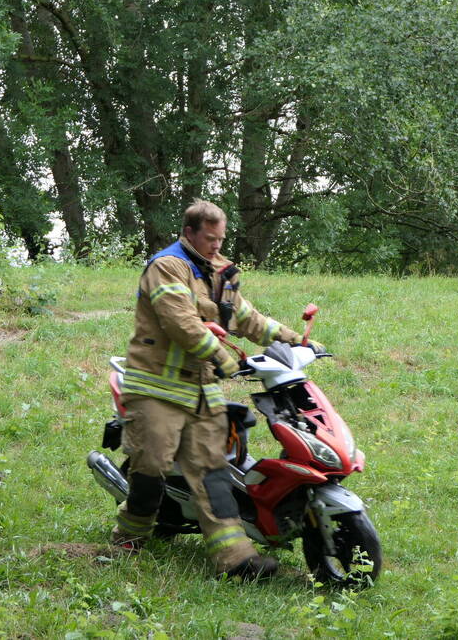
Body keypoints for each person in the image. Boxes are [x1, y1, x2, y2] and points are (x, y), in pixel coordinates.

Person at [112, 199, 324, 580]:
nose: (216, 245)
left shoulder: (220, 272)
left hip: (202, 389)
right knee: (152, 464)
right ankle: (129, 538)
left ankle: (237, 560)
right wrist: (225, 361)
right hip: (158, 387)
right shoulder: (167, 266)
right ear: (189, 233)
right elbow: (183, 324)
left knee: (214, 472)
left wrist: (295, 340)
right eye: (210, 238)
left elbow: (246, 318)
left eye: (220, 238)